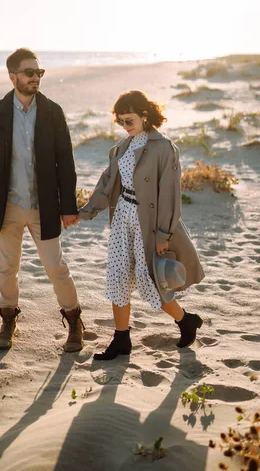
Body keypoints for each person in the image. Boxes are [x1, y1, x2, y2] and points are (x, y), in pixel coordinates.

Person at [0, 48, 83, 353]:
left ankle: (74, 323)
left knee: (56, 268)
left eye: (39, 73)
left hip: (44, 206)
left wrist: (68, 207)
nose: (35, 78)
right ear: (13, 76)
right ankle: (8, 322)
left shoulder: (53, 112)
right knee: (7, 268)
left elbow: (65, 162)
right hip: (7, 206)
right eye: (30, 73)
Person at [78, 90, 205, 360]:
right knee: (117, 277)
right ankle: (121, 339)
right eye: (122, 121)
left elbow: (169, 196)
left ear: (145, 116)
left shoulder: (164, 148)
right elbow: (106, 184)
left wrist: (163, 234)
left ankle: (186, 321)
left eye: (129, 120)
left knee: (154, 281)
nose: (126, 126)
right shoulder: (122, 146)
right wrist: (83, 213)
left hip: (148, 224)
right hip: (123, 218)